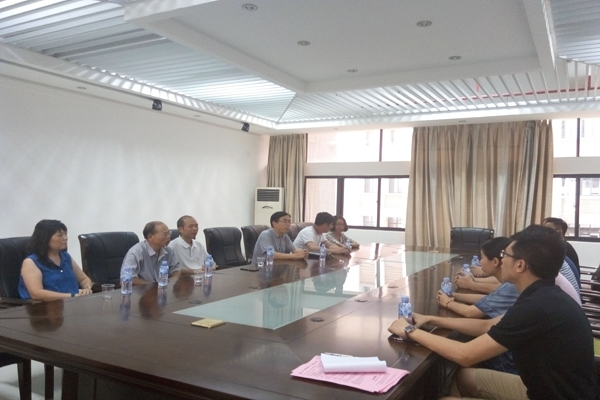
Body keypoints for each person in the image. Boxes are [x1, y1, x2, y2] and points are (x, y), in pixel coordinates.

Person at [388, 225, 600, 400]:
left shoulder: (536, 307)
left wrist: (409, 330)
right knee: (465, 378)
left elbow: (466, 354)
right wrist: (430, 319)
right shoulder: (543, 294)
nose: (501, 259)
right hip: (547, 388)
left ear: (520, 265)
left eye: (505, 255)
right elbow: (486, 325)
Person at [437, 237, 518, 319]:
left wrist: (447, 302)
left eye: (482, 257)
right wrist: (454, 295)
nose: (479, 262)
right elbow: (488, 299)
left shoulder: (511, 286)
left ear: (495, 262)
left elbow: (470, 312)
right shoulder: (509, 283)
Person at [19, 220, 93, 301]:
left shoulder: (66, 257)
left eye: (65, 234)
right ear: (45, 239)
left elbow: (84, 279)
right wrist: (72, 296)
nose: (65, 238)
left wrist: (87, 288)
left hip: (73, 303)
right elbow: (36, 294)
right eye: (59, 235)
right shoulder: (31, 262)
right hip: (46, 307)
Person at [121, 221, 181, 285]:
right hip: (142, 290)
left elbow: (176, 270)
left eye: (169, 233)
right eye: (165, 234)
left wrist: (172, 280)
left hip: (163, 288)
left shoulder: (168, 250)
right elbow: (126, 279)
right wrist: (153, 286)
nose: (169, 237)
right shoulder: (136, 252)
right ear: (150, 237)